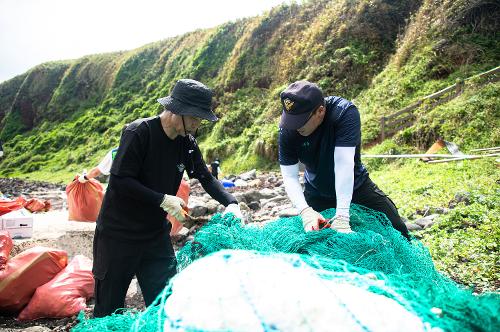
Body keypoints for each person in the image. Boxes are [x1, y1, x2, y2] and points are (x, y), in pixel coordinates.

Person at [92, 79, 244, 317]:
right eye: (193, 117)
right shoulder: (138, 133)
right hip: (118, 235)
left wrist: (231, 203)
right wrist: (162, 199)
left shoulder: (187, 142)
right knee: (108, 309)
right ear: (175, 110)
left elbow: (205, 177)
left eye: (199, 119)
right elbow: (121, 181)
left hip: (154, 235)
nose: (195, 125)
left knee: (167, 304)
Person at [278, 80, 409, 240]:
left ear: (320, 111)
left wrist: (342, 217)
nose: (295, 127)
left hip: (355, 186)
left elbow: (343, 164)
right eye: (291, 120)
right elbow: (290, 176)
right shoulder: (288, 129)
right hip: (316, 191)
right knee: (311, 240)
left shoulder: (343, 113)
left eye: (301, 121)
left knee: (396, 228)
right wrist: (305, 211)